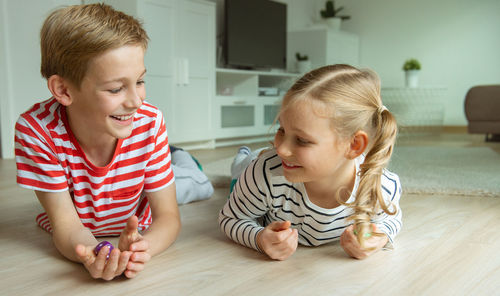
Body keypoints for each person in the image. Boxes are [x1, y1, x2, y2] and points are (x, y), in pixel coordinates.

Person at [14, 4, 181, 280]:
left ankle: (184, 163)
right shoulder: (35, 130)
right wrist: (97, 253)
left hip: (136, 213)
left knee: (190, 186)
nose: (136, 101)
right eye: (116, 89)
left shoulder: (150, 121)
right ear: (63, 90)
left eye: (139, 81)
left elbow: (168, 217)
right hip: (86, 218)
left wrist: (141, 249)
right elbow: (66, 226)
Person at [219, 64, 402, 261]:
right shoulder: (265, 172)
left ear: (354, 145)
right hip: (253, 167)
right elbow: (231, 217)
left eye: (302, 140)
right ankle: (243, 155)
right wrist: (258, 238)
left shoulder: (380, 184)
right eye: (281, 130)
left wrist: (378, 238)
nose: (281, 148)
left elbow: (392, 220)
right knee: (242, 167)